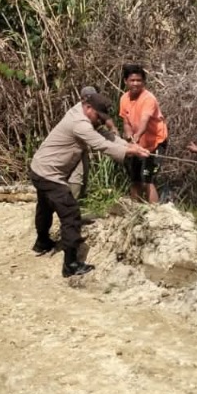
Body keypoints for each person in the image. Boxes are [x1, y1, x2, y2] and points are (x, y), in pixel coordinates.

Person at [30, 92, 149, 277]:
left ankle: (42, 243)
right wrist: (128, 152)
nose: (100, 121)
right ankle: (71, 265)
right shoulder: (80, 124)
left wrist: (128, 146)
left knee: (45, 206)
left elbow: (105, 135)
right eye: (98, 117)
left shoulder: (82, 113)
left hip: (40, 169)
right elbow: (100, 144)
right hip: (49, 174)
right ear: (88, 108)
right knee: (70, 213)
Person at [118, 64, 168, 203]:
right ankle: (135, 211)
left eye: (139, 80)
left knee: (147, 179)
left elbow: (144, 122)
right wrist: (128, 136)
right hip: (137, 144)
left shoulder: (148, 99)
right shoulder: (124, 99)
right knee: (135, 179)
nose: (135, 84)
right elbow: (126, 122)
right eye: (132, 80)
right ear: (125, 81)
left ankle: (155, 214)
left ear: (144, 82)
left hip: (155, 142)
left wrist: (137, 136)